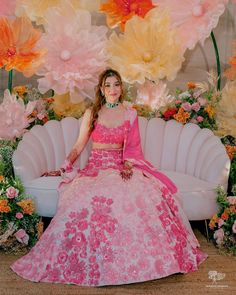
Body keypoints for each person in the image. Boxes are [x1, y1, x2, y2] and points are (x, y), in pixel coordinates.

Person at [11, 68, 207, 286]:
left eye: (116, 84)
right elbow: (79, 145)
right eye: (108, 85)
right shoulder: (92, 113)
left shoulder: (130, 113)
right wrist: (64, 167)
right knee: (86, 199)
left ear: (121, 88)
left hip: (119, 167)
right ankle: (90, 261)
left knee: (143, 195)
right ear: (102, 90)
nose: (113, 89)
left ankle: (140, 261)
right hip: (95, 168)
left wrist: (127, 165)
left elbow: (132, 148)